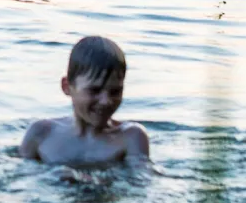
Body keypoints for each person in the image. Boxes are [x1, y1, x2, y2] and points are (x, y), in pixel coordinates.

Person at [19, 36, 150, 167]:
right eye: (94, 90)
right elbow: (19, 177)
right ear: (67, 87)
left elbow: (141, 180)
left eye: (115, 92)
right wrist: (52, 176)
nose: (106, 101)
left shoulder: (131, 137)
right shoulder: (41, 133)